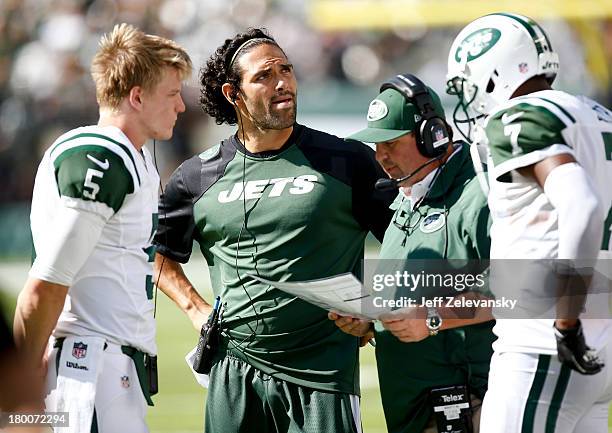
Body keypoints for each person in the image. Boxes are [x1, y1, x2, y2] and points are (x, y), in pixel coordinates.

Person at [153, 28, 394, 433]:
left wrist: (375, 312)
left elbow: (408, 241)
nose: (283, 82)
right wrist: (196, 309)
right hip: (233, 373)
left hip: (323, 378)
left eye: (286, 69)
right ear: (234, 94)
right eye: (265, 75)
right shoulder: (195, 177)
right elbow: (157, 254)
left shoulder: (347, 160)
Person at [12, 23, 191, 433]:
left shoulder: (138, 157)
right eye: (172, 93)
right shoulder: (102, 155)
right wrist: (18, 399)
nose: (181, 106)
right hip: (87, 372)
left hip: (111, 368)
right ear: (137, 96)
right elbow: (45, 285)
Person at [446, 12, 612, 433]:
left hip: (544, 342)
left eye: (468, 85)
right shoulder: (597, 113)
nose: (468, 100)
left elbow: (583, 207)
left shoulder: (520, 115)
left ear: (493, 71)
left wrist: (566, 321)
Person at [332, 74, 496, 433]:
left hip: (468, 406)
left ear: (432, 136)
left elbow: (522, 291)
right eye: (376, 146)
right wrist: (369, 320)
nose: (381, 157)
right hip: (414, 407)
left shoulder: (479, 195)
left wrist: (433, 317)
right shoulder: (408, 196)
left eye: (390, 143)